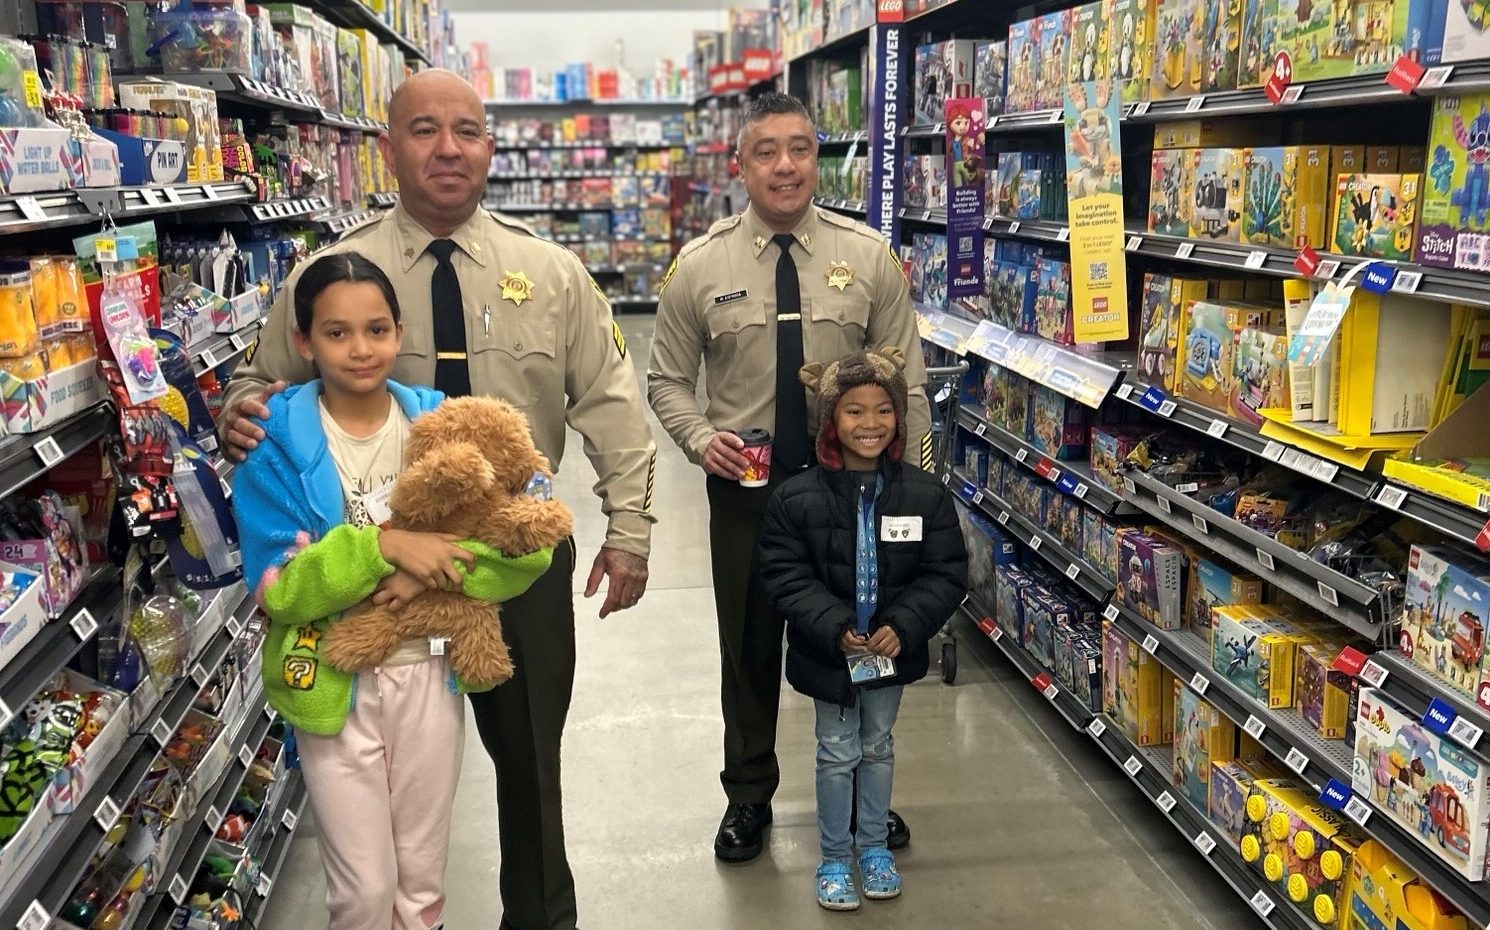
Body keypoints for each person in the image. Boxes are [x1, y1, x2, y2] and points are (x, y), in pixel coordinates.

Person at [220, 69, 657, 930]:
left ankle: (539, 918)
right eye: (424, 130)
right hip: (370, 572)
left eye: (467, 130)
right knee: (382, 783)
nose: (448, 149)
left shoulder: (554, 272)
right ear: (386, 148)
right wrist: (240, 412)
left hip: (510, 555)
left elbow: (611, 400)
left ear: (492, 146)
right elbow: (258, 386)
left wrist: (630, 527)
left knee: (532, 761)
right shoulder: (331, 275)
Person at [648, 92, 933, 862]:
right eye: (766, 151)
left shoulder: (867, 256)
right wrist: (701, 439)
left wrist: (917, 493)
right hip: (747, 494)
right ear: (740, 165)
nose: (785, 166)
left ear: (818, 157)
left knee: (865, 630)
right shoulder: (701, 266)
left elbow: (907, 381)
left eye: (800, 149)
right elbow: (667, 379)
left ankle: (868, 792)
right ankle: (748, 794)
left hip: (852, 490)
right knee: (747, 645)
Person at [233, 252, 557, 930]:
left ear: (400, 331)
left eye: (376, 330)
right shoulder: (275, 449)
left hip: (429, 674)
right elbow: (281, 593)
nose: (360, 349)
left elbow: (524, 544)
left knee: (420, 880)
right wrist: (381, 547)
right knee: (363, 892)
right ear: (302, 342)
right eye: (337, 332)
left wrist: (430, 567)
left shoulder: (444, 425)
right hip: (330, 679)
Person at [755, 347, 968, 910]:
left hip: (891, 652)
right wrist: (834, 626)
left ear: (899, 417)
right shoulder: (794, 501)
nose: (869, 424)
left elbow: (945, 572)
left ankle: (873, 847)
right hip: (832, 654)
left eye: (882, 411)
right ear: (830, 419)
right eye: (853, 411)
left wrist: (906, 624)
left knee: (877, 745)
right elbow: (785, 574)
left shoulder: (924, 495)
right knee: (834, 749)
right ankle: (832, 856)